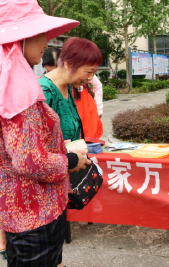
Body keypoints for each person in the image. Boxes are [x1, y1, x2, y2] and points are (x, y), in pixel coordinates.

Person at [0, 1, 91, 266]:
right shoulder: (18, 92)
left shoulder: (13, 84)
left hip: (22, 210)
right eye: (41, 34)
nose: (47, 42)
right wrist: (72, 160)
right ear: (21, 38)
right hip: (35, 214)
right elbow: (29, 160)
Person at [39, 37, 103, 142]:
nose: (90, 78)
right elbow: (36, 146)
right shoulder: (44, 92)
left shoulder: (68, 85)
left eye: (94, 73)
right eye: (89, 72)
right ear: (69, 65)